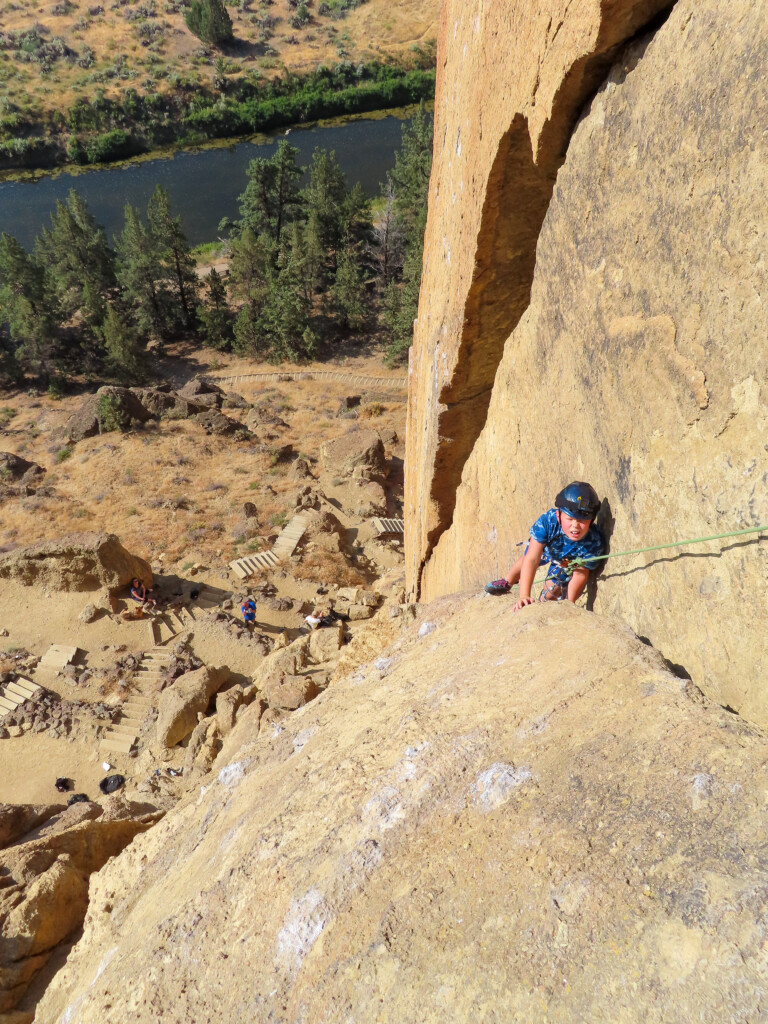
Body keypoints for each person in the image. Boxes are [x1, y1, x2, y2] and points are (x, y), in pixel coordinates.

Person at [485, 482, 605, 612]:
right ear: (559, 515)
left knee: (551, 592)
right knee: (529, 559)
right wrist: (524, 595)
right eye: (569, 519)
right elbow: (531, 559)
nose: (575, 526)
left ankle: (543, 602)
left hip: (566, 561)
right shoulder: (548, 522)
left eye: (582, 521)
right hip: (546, 549)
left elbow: (580, 573)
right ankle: (507, 581)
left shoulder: (594, 543)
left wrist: (570, 603)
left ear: (592, 520)